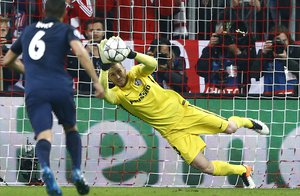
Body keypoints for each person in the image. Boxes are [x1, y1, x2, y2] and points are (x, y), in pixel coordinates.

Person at [98, 36, 270, 189]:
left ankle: (247, 122)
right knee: (205, 167)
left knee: (230, 128)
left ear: (125, 69)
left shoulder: (136, 73)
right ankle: (242, 171)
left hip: (184, 112)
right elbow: (104, 92)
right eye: (113, 75)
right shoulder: (118, 95)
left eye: (119, 71)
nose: (118, 77)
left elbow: (153, 64)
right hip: (172, 131)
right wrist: (104, 68)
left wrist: (130, 53)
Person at [3, 0, 104, 195]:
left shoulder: (29, 30)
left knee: (43, 134)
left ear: (44, 10)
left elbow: (7, 60)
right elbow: (81, 53)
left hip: (35, 89)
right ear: (63, 14)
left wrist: (30, 73)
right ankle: (76, 171)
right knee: (70, 128)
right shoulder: (64, 29)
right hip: (60, 86)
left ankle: (46, 169)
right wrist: (96, 81)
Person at [196, 22, 256, 94]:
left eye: (227, 35)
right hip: (213, 95)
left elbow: (252, 71)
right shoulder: (212, 50)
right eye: (222, 35)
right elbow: (200, 71)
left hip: (237, 96)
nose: (225, 38)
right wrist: (210, 46)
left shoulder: (244, 49)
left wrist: (236, 50)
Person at [252, 25, 300, 95]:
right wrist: (262, 54)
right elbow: (254, 74)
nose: (281, 44)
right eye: (278, 41)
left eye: (284, 41)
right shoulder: (267, 53)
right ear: (271, 42)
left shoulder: (295, 51)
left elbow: (298, 71)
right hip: (269, 95)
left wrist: (286, 59)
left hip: (291, 96)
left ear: (289, 40)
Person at [68, 18, 105, 94]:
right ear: (86, 33)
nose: (95, 33)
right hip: (85, 96)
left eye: (98, 30)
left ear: (104, 32)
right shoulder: (79, 53)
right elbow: (73, 74)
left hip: (108, 95)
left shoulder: (111, 53)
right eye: (91, 30)